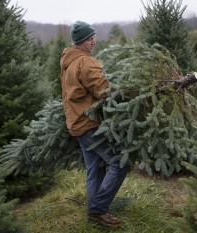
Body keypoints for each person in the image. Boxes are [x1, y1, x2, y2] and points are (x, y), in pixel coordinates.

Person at [60, 20, 129, 227]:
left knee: (95, 168)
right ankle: (99, 209)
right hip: (88, 123)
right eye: (89, 38)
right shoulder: (85, 62)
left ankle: (94, 210)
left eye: (93, 36)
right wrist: (126, 91)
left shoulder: (68, 61)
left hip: (75, 121)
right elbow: (103, 90)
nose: (93, 41)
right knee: (119, 162)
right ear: (80, 40)